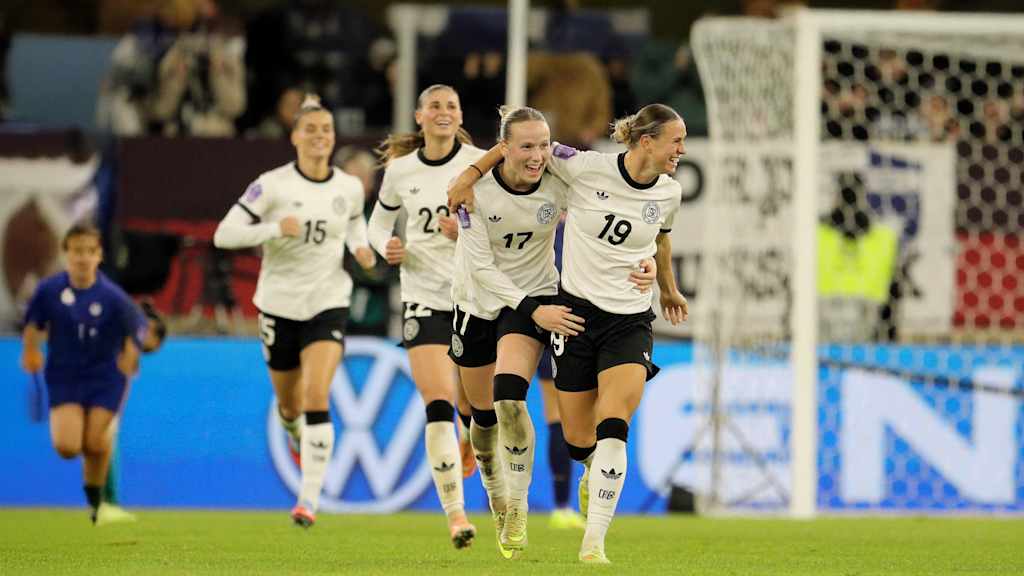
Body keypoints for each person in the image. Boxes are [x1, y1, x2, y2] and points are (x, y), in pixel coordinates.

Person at [448, 103, 689, 564]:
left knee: (518, 401)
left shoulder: (657, 190)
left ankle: (577, 536)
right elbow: (479, 268)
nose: (538, 155)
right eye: (527, 146)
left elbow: (658, 237)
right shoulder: (569, 172)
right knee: (498, 420)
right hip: (484, 302)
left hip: (568, 307)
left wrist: (662, 281)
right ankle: (501, 492)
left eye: (542, 145)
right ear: (646, 141)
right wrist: (466, 174)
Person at [212, 95, 376, 528]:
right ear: (295, 137)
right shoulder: (272, 185)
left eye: (326, 130)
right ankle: (293, 432)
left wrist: (359, 247)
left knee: (316, 396)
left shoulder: (348, 186)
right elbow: (223, 234)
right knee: (289, 406)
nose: (320, 136)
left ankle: (308, 500)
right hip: (280, 305)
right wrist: (271, 229)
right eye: (311, 130)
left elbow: (355, 220)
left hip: (327, 302)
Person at [366, 84, 484, 549]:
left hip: (473, 299)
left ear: (458, 116)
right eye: (434, 105)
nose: (443, 112)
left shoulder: (478, 165)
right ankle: (456, 515)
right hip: (422, 298)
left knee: (476, 410)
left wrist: (467, 232)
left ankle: (474, 434)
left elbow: (503, 226)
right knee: (437, 403)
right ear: (419, 116)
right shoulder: (400, 171)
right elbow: (377, 223)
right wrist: (385, 246)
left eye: (451, 105)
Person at [20, 224, 167, 525]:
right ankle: (102, 498)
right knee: (68, 447)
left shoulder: (113, 296)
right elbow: (33, 323)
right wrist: (30, 351)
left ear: (99, 255)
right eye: (77, 251)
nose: (83, 258)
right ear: (66, 254)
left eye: (90, 251)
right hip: (65, 375)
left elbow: (137, 329)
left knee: (96, 443)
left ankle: (98, 505)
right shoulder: (49, 291)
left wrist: (130, 353)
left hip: (104, 377)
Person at [537, 218, 586, 530]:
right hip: (571, 325)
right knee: (571, 420)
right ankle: (568, 504)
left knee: (557, 417)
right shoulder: (581, 228)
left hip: (544, 320)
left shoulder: (543, 224)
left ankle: (562, 505)